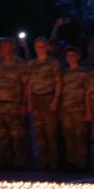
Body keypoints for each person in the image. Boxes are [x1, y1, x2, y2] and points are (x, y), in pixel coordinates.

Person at [0, 37, 29, 169]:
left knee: (18, 135)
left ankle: (20, 161)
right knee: (2, 134)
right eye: (1, 46)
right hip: (1, 104)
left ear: (12, 47)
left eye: (5, 46)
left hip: (15, 104)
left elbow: (26, 85)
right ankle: (5, 160)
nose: (2, 48)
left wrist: (24, 103)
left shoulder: (20, 64)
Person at [27, 37, 62, 171]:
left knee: (51, 131)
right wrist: (30, 102)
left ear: (46, 47)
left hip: (48, 97)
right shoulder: (32, 64)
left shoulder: (53, 63)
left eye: (42, 46)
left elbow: (58, 81)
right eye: (38, 46)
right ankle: (43, 159)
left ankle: (53, 161)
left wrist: (55, 99)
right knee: (39, 131)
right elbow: (29, 84)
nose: (40, 49)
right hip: (36, 98)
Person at [57, 44, 91, 172]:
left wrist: (87, 110)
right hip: (66, 109)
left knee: (81, 136)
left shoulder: (84, 72)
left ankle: (83, 162)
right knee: (69, 136)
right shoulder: (64, 72)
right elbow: (60, 89)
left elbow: (88, 91)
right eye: (68, 55)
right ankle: (72, 161)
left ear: (78, 57)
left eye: (73, 55)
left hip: (80, 108)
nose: (70, 58)